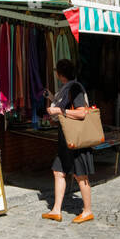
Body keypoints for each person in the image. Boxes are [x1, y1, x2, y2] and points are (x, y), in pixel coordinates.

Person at [43, 59, 94, 222]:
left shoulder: (75, 88)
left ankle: (87, 211)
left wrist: (59, 110)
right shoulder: (67, 89)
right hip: (66, 138)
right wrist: (53, 101)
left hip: (76, 139)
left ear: (60, 74)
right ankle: (56, 209)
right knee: (58, 171)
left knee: (81, 175)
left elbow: (81, 113)